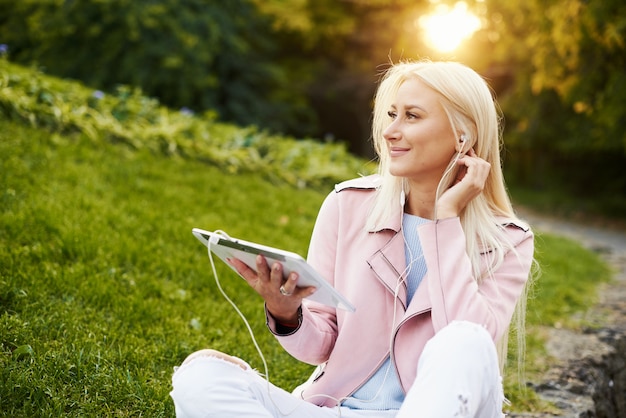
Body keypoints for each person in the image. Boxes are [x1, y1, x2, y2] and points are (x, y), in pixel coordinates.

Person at [170, 60, 535, 418]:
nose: (391, 131)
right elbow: (322, 345)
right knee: (200, 376)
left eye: (411, 116)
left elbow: (468, 350)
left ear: (463, 135)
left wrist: (446, 219)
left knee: (465, 339)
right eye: (391, 114)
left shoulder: (509, 241)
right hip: (337, 410)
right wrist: (287, 314)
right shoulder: (348, 205)